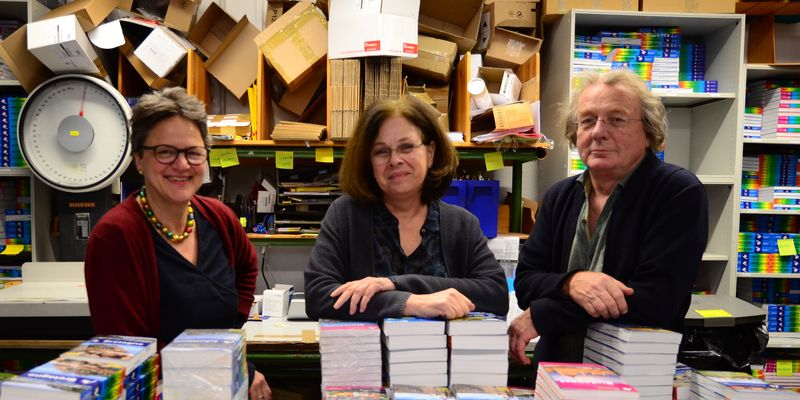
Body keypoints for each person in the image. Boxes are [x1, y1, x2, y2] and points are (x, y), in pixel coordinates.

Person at [508, 70, 709, 375]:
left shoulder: (676, 192)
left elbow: (655, 300)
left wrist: (545, 313)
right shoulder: (560, 196)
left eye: (616, 119)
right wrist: (572, 282)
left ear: (649, 132)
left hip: (633, 378)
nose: (599, 132)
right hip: (555, 375)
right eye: (588, 121)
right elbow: (526, 283)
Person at [84, 87, 271, 400]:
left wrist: (232, 348)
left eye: (193, 152)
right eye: (165, 152)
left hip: (218, 384)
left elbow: (247, 266)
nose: (182, 165)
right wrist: (226, 367)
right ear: (139, 159)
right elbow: (127, 350)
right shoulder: (115, 237)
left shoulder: (220, 218)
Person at [304, 96, 508, 321]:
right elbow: (318, 297)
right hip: (367, 346)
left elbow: (496, 295)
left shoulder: (461, 224)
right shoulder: (345, 215)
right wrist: (409, 302)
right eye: (381, 151)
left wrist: (394, 284)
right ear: (368, 162)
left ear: (430, 153)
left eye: (407, 147)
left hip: (441, 346)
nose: (395, 160)